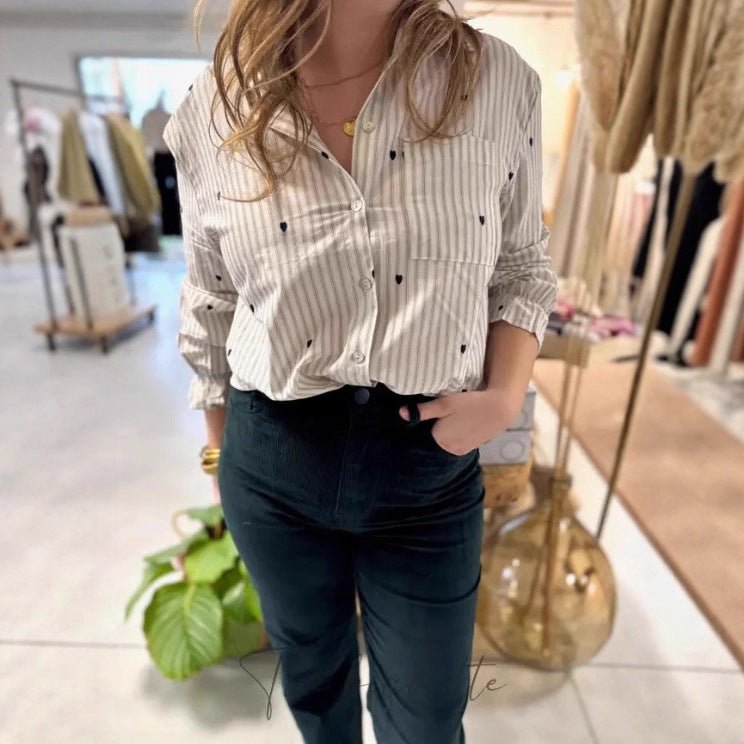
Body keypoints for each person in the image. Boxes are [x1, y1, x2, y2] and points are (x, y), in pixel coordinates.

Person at [163, 1, 558, 742]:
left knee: (427, 720)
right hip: (272, 455)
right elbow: (210, 297)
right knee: (316, 692)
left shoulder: (497, 81)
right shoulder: (215, 106)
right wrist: (219, 455)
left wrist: (505, 395)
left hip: (423, 467)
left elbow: (521, 266)